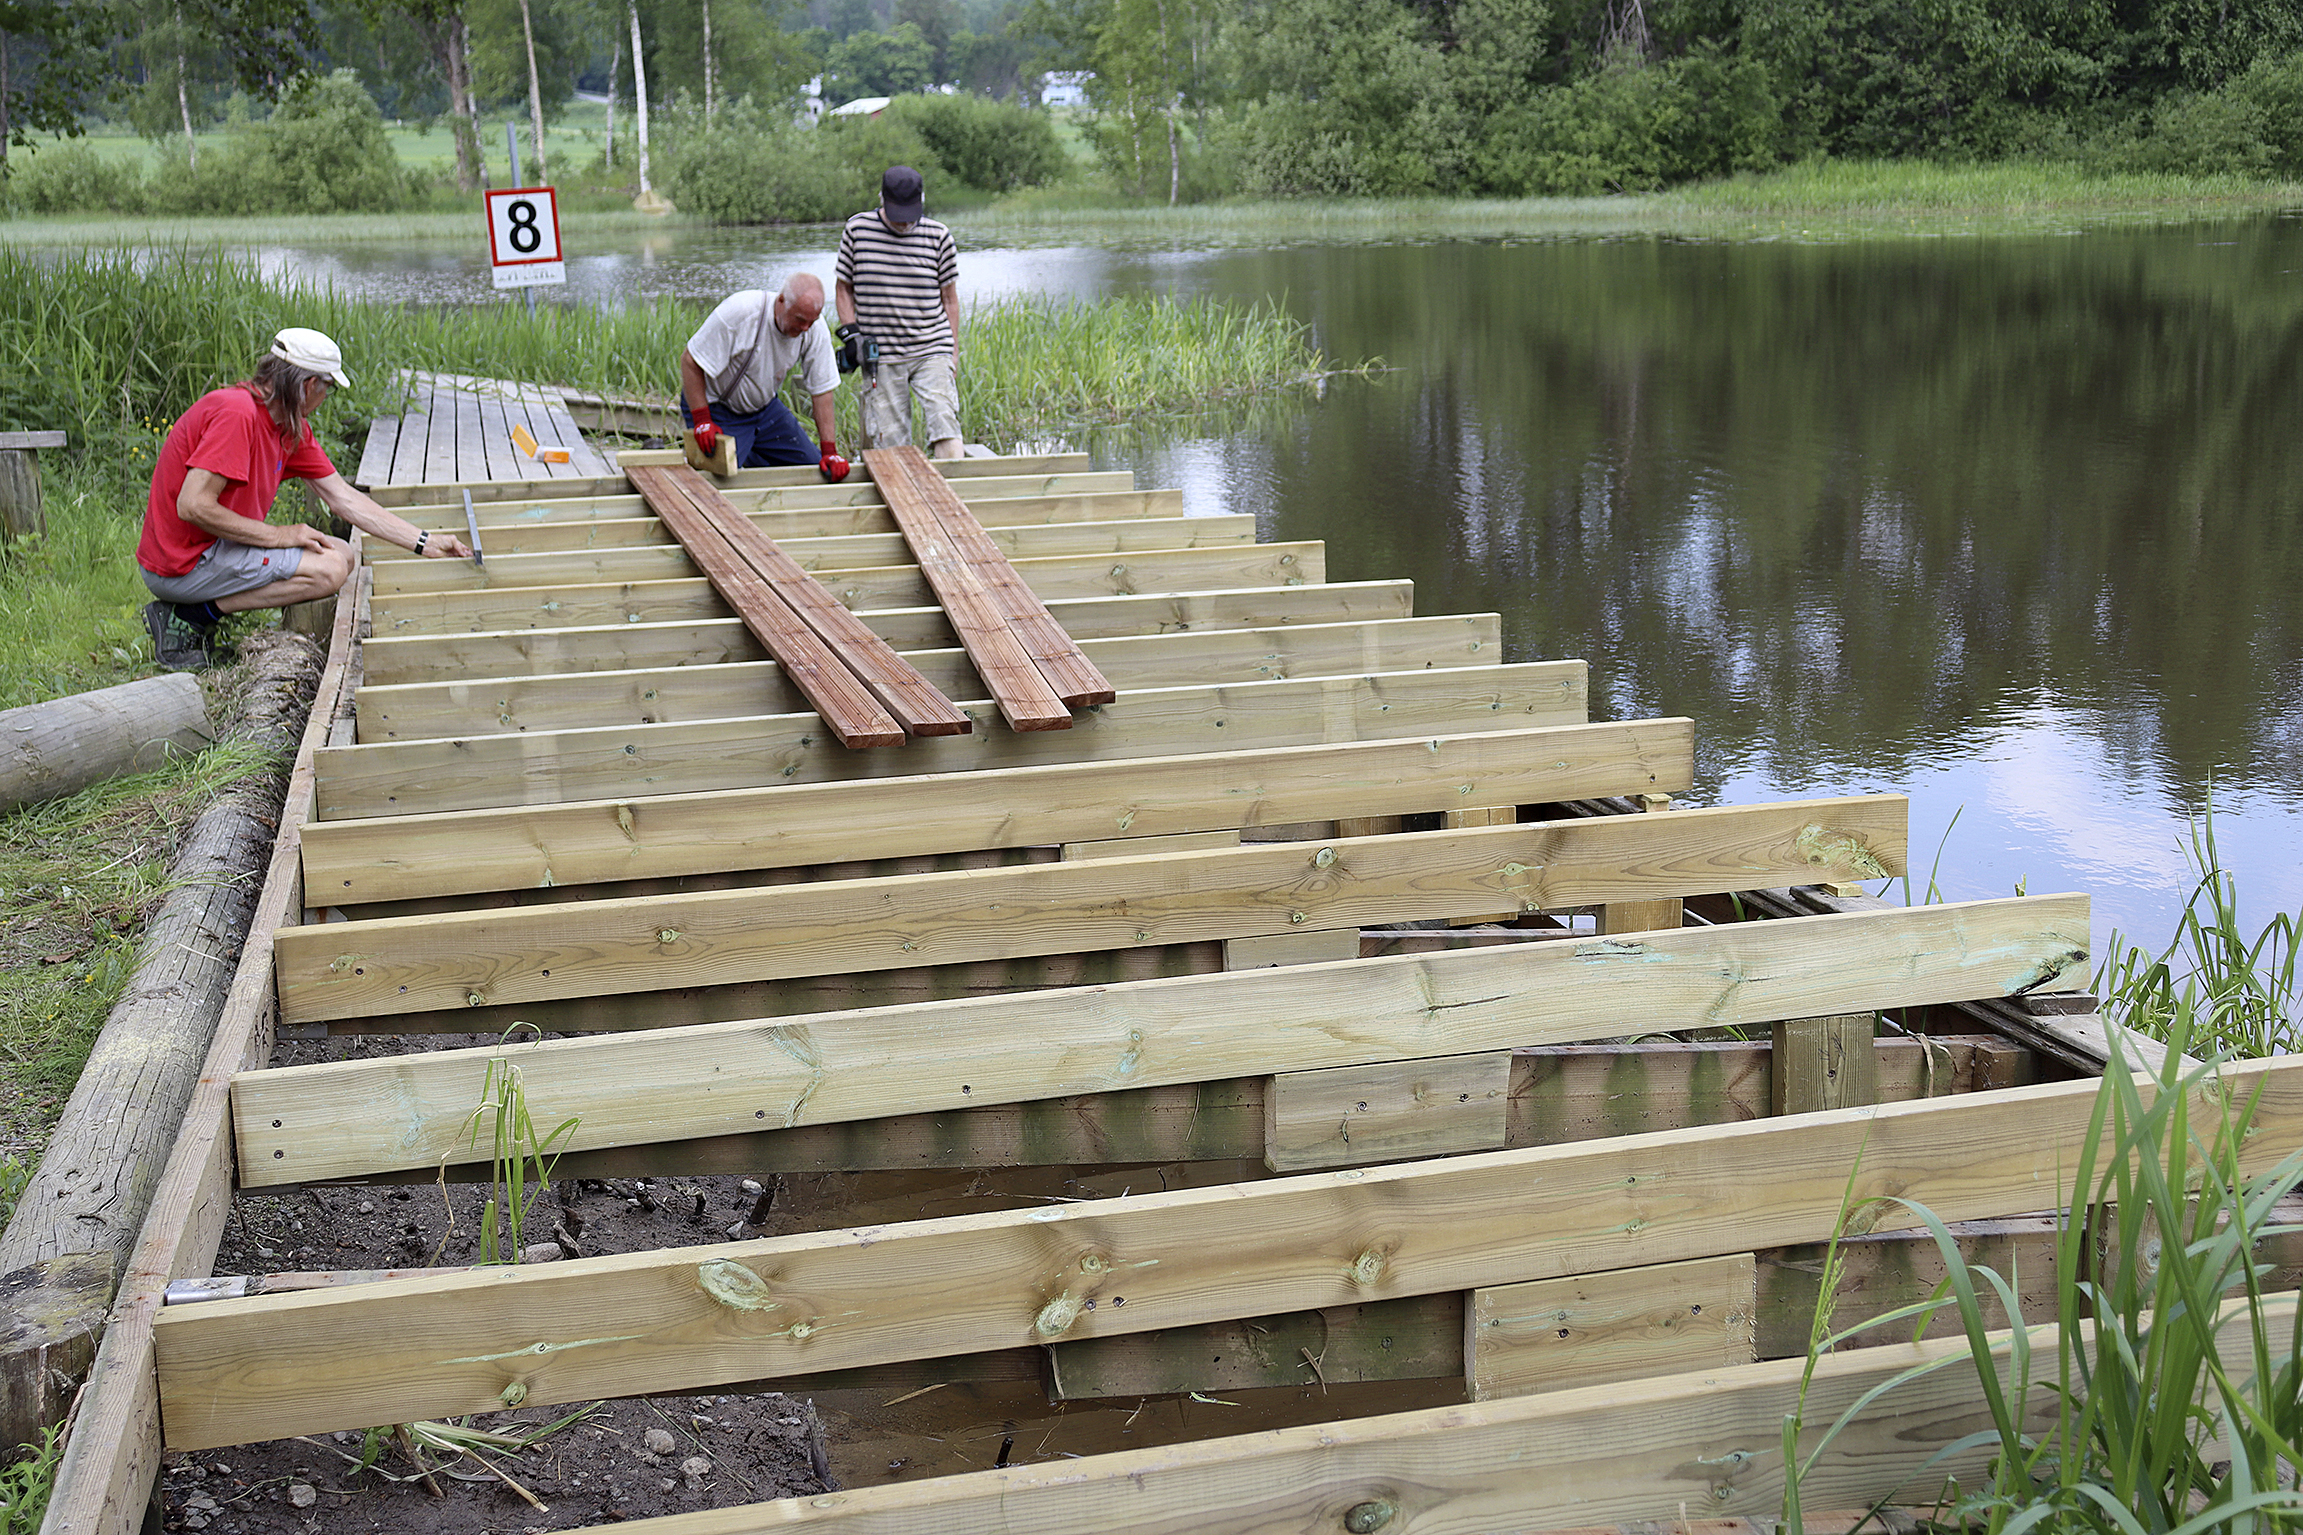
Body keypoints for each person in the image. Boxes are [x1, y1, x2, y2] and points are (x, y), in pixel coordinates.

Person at [137, 327, 470, 671]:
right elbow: (193, 505)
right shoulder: (237, 414)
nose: (325, 397)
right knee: (328, 570)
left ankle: (198, 612)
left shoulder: (288, 427)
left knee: (341, 553)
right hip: (181, 564)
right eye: (328, 389)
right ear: (310, 385)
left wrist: (424, 542)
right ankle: (189, 616)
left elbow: (344, 498)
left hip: (216, 550)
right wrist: (282, 535)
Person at [834, 164, 964, 459]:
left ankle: (954, 495)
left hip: (932, 346)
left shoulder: (939, 236)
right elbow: (843, 289)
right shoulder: (857, 230)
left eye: (909, 215)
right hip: (881, 354)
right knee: (889, 442)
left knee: (945, 421)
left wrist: (953, 351)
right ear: (881, 199)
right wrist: (852, 335)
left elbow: (950, 299)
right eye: (897, 215)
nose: (904, 224)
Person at [677, 272, 850, 481]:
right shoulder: (741, 312)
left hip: (765, 411)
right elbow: (690, 361)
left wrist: (829, 450)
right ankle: (745, 452)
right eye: (800, 320)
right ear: (781, 301)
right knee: (720, 480)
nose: (805, 328)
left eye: (810, 322)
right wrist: (702, 420)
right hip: (717, 407)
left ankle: (753, 451)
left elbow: (822, 390)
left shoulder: (814, 328)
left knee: (814, 470)